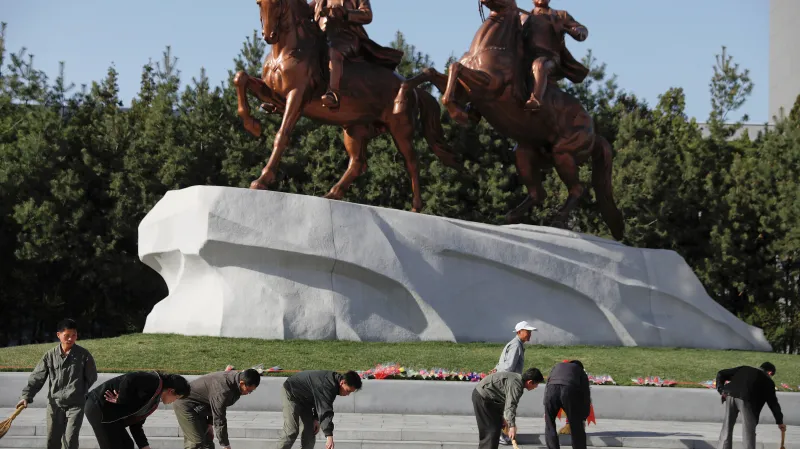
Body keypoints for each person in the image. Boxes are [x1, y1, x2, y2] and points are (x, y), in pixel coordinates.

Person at [17, 318, 97, 449]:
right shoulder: (49, 355)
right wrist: (26, 396)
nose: (70, 339)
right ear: (58, 335)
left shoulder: (84, 355)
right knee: (52, 441)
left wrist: (79, 391)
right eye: (67, 335)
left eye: (74, 335)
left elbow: (92, 376)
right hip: (55, 404)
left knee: (70, 440)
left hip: (76, 406)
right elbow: (37, 378)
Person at [312, 0, 403, 110]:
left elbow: (367, 15)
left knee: (334, 52)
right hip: (321, 36)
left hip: (345, 36)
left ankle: (333, 93)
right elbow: (305, 9)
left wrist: (345, 13)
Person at [84, 371, 191, 449]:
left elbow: (136, 425)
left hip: (111, 416)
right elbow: (129, 378)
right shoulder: (154, 381)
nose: (174, 401)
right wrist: (121, 399)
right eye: (177, 397)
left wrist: (144, 446)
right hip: (99, 406)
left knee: (128, 445)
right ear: (171, 391)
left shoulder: (153, 400)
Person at [521, 0, 590, 112]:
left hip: (550, 58)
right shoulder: (524, 17)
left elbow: (582, 30)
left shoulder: (560, 15)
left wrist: (578, 30)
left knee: (539, 64)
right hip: (527, 58)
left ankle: (536, 99)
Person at [173, 368, 261, 449]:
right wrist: (225, 445)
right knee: (196, 442)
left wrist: (209, 423)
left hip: (200, 408)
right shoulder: (223, 389)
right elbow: (219, 418)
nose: (248, 393)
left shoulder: (235, 383)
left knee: (208, 444)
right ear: (241, 383)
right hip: (185, 404)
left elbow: (216, 405)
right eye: (249, 390)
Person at [277, 369, 362, 449]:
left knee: (309, 432)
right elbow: (325, 410)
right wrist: (329, 436)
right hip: (291, 392)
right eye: (348, 391)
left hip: (306, 400)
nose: (347, 394)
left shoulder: (334, 384)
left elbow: (321, 402)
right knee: (291, 430)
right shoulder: (328, 384)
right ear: (342, 382)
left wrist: (315, 419)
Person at [716, 362, 786, 449]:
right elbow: (773, 403)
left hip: (729, 395)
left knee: (727, 426)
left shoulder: (744, 369)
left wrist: (721, 389)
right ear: (770, 372)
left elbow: (721, 373)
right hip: (746, 400)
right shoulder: (768, 381)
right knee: (748, 432)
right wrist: (780, 421)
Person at [472, 367, 544, 449]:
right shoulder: (516, 385)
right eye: (536, 384)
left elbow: (505, 401)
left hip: (491, 400)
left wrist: (504, 419)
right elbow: (510, 406)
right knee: (491, 431)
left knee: (496, 430)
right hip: (483, 397)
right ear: (530, 382)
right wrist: (511, 426)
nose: (536, 387)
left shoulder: (518, 381)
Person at [493, 321, 537, 445]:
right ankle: (500, 434)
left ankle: (502, 433)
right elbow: (509, 367)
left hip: (504, 380)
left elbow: (504, 363)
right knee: (506, 407)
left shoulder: (516, 344)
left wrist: (496, 370)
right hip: (508, 382)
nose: (530, 334)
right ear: (519, 332)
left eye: (530, 332)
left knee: (503, 408)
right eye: (527, 332)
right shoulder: (516, 346)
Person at [543, 360, 591, 449]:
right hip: (569, 390)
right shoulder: (580, 371)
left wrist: (546, 407)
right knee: (576, 425)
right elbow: (585, 394)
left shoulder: (557, 366)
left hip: (551, 391)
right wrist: (583, 416)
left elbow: (548, 384)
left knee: (549, 423)